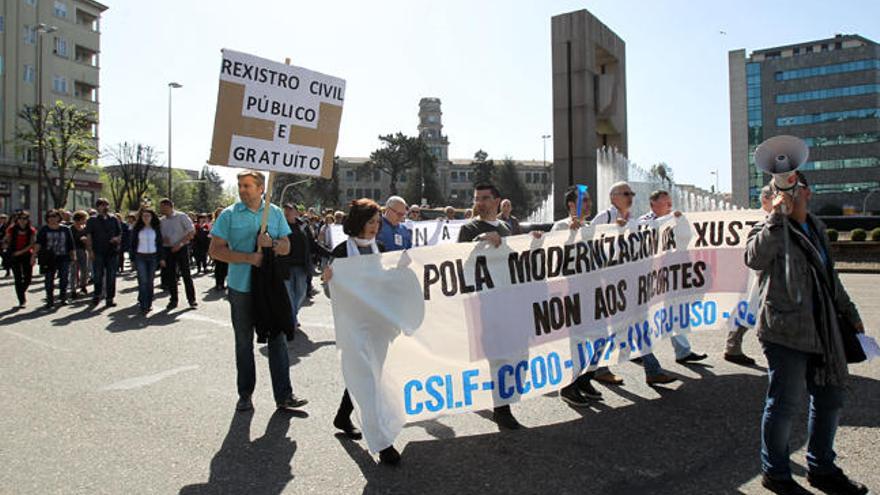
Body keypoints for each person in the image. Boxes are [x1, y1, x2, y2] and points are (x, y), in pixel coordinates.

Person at [747, 171, 868, 495]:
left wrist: (850, 312)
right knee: (784, 404)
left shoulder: (815, 227)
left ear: (807, 192)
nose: (789, 193)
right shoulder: (768, 226)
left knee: (829, 398)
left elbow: (830, 275)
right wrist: (775, 216)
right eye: (780, 188)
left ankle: (822, 468)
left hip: (822, 328)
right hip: (783, 330)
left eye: (793, 187)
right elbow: (753, 257)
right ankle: (776, 473)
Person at [209, 170, 306, 415]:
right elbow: (215, 250)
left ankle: (284, 395)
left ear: (261, 188)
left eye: (247, 186)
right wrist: (248, 257)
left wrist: (271, 244)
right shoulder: (229, 215)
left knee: (278, 339)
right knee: (244, 342)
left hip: (270, 287)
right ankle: (245, 394)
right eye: (240, 185)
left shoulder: (273, 213)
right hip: (241, 287)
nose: (242, 190)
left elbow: (286, 246)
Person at [322, 198, 401, 465]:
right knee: (368, 379)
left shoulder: (381, 248)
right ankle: (383, 443)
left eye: (378, 222)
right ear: (358, 223)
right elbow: (332, 292)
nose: (375, 227)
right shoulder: (343, 251)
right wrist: (329, 281)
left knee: (369, 375)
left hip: (378, 325)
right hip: (353, 326)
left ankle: (343, 416)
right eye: (371, 222)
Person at [457, 184, 525, 430]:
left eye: (485, 198)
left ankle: (500, 402)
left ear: (497, 201)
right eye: (477, 198)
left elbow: (516, 260)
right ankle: (501, 408)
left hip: (506, 300)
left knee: (506, 352)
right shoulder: (469, 228)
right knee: (495, 353)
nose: (481, 202)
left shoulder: (506, 227)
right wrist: (481, 242)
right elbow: (461, 262)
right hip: (484, 303)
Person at [637, 190, 708, 365]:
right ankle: (639, 352)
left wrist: (681, 222)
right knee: (646, 316)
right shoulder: (643, 222)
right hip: (650, 278)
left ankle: (683, 352)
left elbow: (687, 239)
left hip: (670, 276)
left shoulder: (674, 219)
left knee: (675, 312)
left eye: (670, 203)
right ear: (653, 205)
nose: (670, 206)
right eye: (665, 203)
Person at [725, 184, 774, 366]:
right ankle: (733, 345)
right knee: (750, 308)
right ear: (765, 200)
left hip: (758, 274)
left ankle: (733, 345)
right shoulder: (756, 219)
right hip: (754, 274)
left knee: (751, 308)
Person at [159, 198, 197, 309]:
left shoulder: (181, 217)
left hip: (181, 248)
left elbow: (191, 232)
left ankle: (192, 300)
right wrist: (163, 240)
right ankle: (173, 299)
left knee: (186, 274)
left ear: (169, 206)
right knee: (171, 275)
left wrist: (179, 244)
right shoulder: (162, 221)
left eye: (162, 207)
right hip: (168, 250)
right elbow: (159, 236)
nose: (161, 209)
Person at [34, 209, 76, 307]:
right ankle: (50, 299)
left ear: (59, 217)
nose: (52, 218)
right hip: (48, 258)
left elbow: (71, 244)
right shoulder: (44, 229)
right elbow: (38, 243)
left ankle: (63, 297)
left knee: (64, 278)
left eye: (54, 216)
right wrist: (34, 255)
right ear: (47, 218)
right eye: (50, 216)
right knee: (49, 279)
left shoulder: (65, 229)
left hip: (63, 257)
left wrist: (73, 256)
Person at [85, 198, 122, 307]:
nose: (105, 207)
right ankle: (97, 295)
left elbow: (120, 233)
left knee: (111, 276)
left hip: (112, 252)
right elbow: (88, 236)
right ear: (97, 207)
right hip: (98, 251)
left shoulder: (114, 219)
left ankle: (110, 298)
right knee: (98, 275)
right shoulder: (92, 220)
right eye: (102, 205)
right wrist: (90, 251)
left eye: (106, 205)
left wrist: (116, 239)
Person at [280, 204, 310, 331]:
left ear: (296, 213)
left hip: (301, 266)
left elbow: (312, 244)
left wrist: (331, 252)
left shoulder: (303, 227)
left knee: (301, 292)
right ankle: (292, 320)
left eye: (290, 209)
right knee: (289, 295)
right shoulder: (280, 226)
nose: (287, 212)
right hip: (285, 266)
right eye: (285, 209)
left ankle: (293, 315)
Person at [132, 208, 163, 315]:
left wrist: (161, 258)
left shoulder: (156, 229)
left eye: (148, 216)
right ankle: (143, 304)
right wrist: (132, 259)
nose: (146, 218)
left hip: (153, 257)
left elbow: (160, 244)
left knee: (150, 281)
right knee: (143, 281)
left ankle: (149, 302)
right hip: (140, 256)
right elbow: (132, 244)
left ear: (152, 217)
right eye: (144, 216)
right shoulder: (137, 229)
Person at [6, 212, 37, 307]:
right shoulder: (11, 229)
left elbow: (32, 244)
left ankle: (21, 291)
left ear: (28, 220)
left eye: (25, 219)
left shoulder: (31, 230)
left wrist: (32, 256)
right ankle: (21, 300)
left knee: (28, 278)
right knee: (18, 278)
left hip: (26, 254)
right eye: (21, 218)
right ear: (17, 219)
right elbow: (8, 241)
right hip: (14, 255)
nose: (23, 221)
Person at [69, 210, 91, 299]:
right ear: (79, 219)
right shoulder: (71, 229)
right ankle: (73, 289)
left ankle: (83, 286)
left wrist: (86, 242)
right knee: (74, 271)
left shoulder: (85, 229)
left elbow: (88, 240)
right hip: (73, 251)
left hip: (83, 250)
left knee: (84, 270)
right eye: (84, 219)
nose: (85, 221)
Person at [211, 207, 228, 291]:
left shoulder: (228, 222)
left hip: (227, 246)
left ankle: (223, 282)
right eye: (219, 213)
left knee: (225, 266)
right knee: (218, 266)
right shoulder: (215, 223)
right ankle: (218, 283)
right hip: (218, 246)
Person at [0, 213, 10, 278]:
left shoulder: (7, 227)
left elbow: (8, 235)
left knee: (5, 256)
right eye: (1, 218)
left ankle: (7, 270)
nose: (2, 220)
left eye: (3, 218)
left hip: (4, 243)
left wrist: (4, 241)